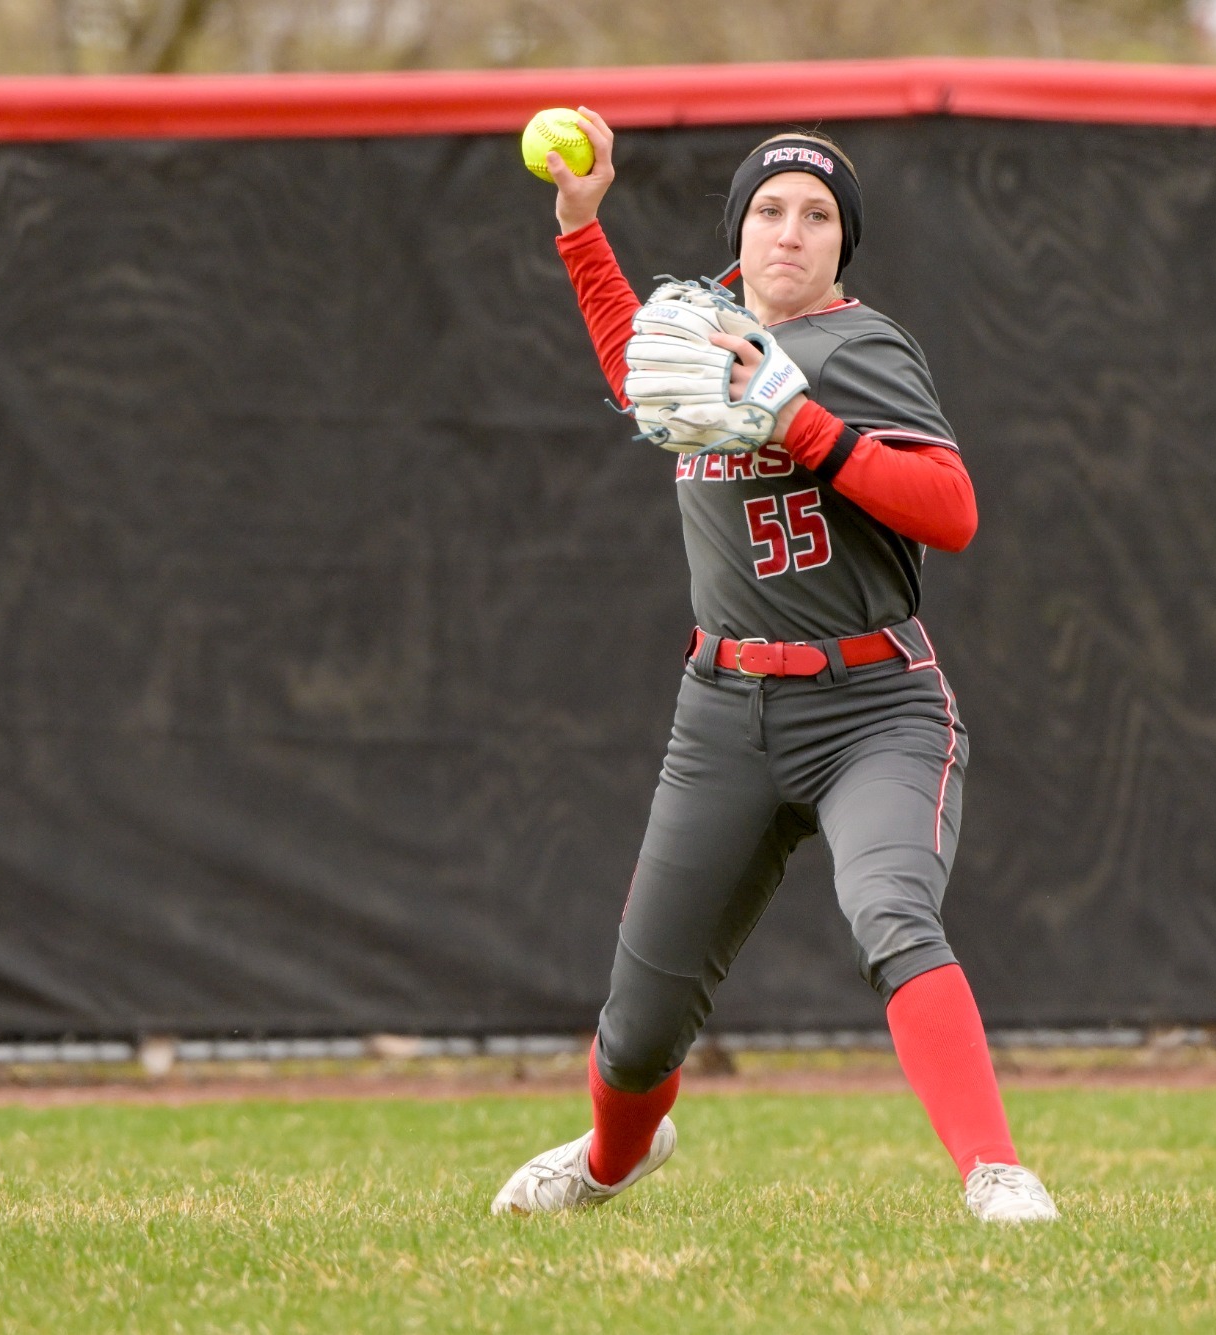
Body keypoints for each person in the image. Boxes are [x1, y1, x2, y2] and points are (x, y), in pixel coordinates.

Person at [490, 110, 1059, 1225]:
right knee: (639, 1019)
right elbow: (633, 367)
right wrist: (579, 223)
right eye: (767, 210)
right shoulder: (703, 331)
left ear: (843, 245)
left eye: (816, 217)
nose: (788, 232)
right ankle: (611, 1161)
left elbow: (950, 512)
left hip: (871, 706)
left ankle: (994, 1170)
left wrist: (800, 421)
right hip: (723, 712)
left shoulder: (862, 348)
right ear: (738, 228)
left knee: (891, 913)